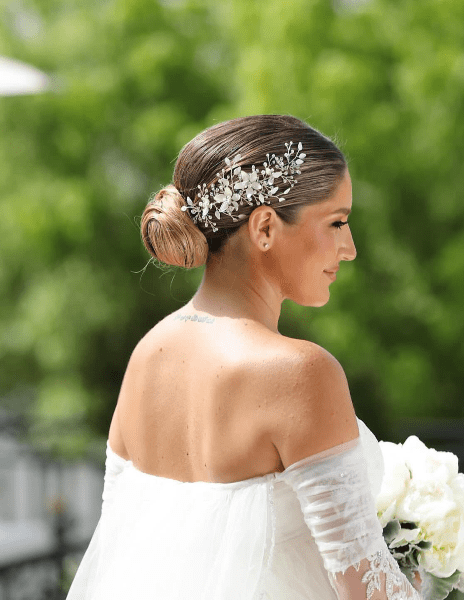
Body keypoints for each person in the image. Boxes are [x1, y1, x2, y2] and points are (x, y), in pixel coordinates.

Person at [65, 114, 422, 599]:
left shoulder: (148, 353)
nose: (350, 248)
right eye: (336, 222)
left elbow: (123, 547)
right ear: (266, 227)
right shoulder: (300, 372)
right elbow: (369, 591)